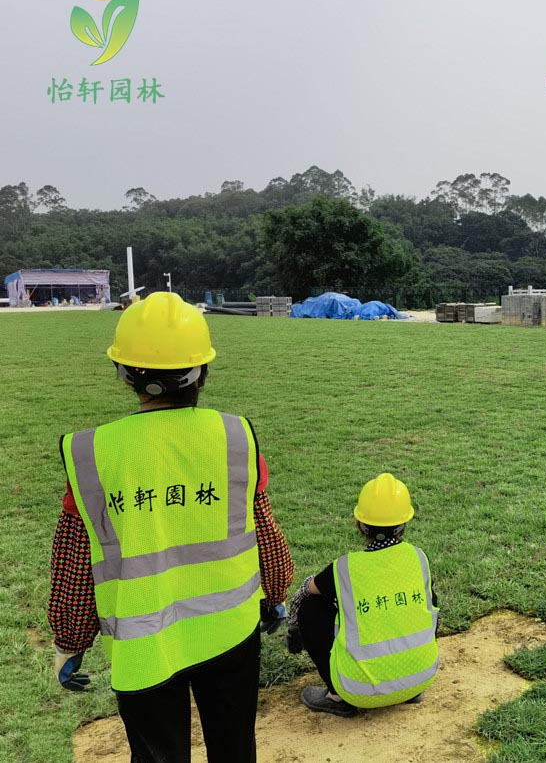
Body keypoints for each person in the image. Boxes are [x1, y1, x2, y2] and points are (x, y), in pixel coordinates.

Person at [48, 292, 294, 763]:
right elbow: (265, 532)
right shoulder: (234, 437)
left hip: (145, 645)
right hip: (231, 634)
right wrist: (275, 594)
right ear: (201, 371)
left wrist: (70, 641)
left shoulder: (93, 453)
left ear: (123, 374)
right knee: (234, 747)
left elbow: (74, 563)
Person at [287, 473, 439, 717]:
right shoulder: (418, 558)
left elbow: (306, 592)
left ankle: (336, 697)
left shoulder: (343, 569)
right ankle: (407, 686)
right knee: (428, 599)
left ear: (359, 523)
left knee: (311, 609)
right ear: (403, 524)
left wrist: (293, 625)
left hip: (357, 689)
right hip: (421, 677)